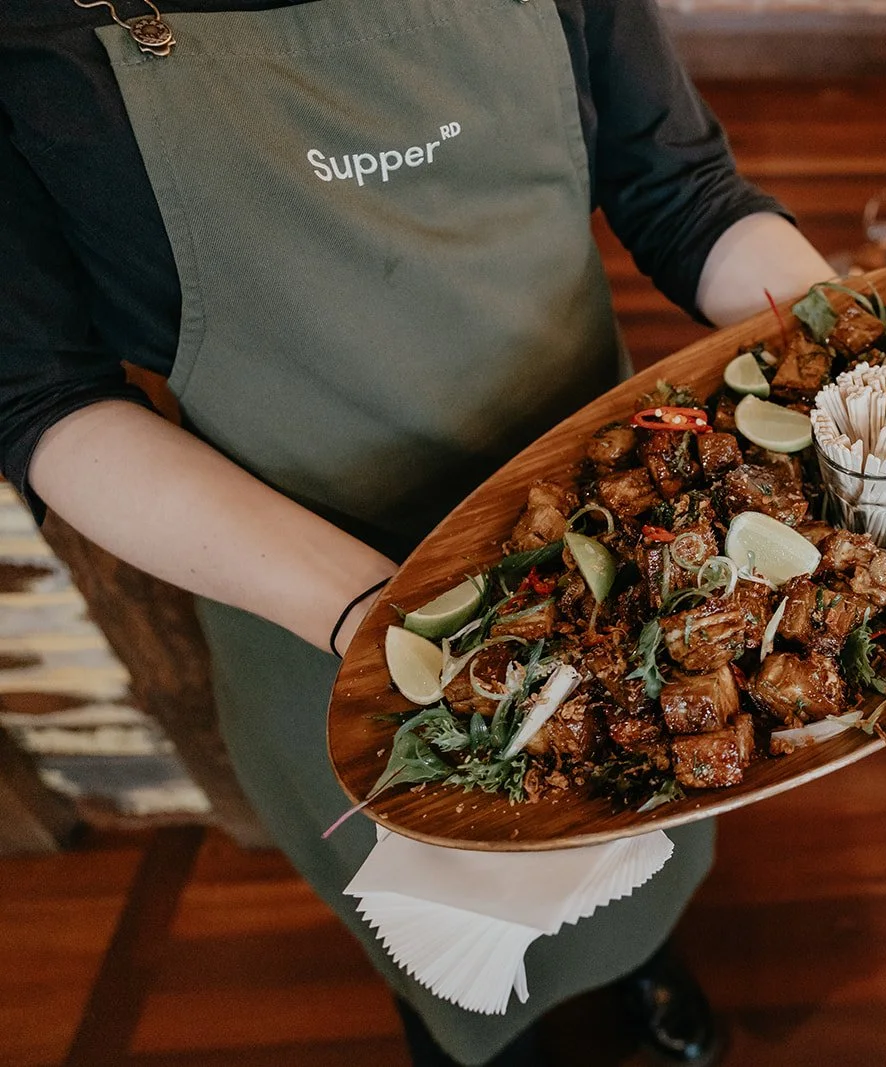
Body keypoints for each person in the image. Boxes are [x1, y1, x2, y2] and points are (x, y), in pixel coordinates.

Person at [0, 0, 834, 1063]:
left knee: (646, 833)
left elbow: (684, 188)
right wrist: (376, 617)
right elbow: (40, 398)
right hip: (312, 597)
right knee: (455, 949)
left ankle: (641, 965)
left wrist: (873, 372)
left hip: (619, 541)